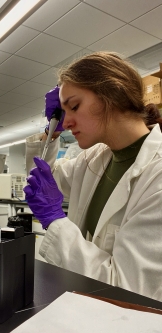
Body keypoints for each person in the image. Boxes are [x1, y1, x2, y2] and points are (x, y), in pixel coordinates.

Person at [24, 51, 162, 302]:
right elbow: (44, 177)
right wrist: (51, 129)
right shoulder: (95, 158)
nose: (67, 123)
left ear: (113, 94)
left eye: (74, 106)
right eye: (63, 113)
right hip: (82, 306)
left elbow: (126, 289)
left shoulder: (158, 174)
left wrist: (56, 221)